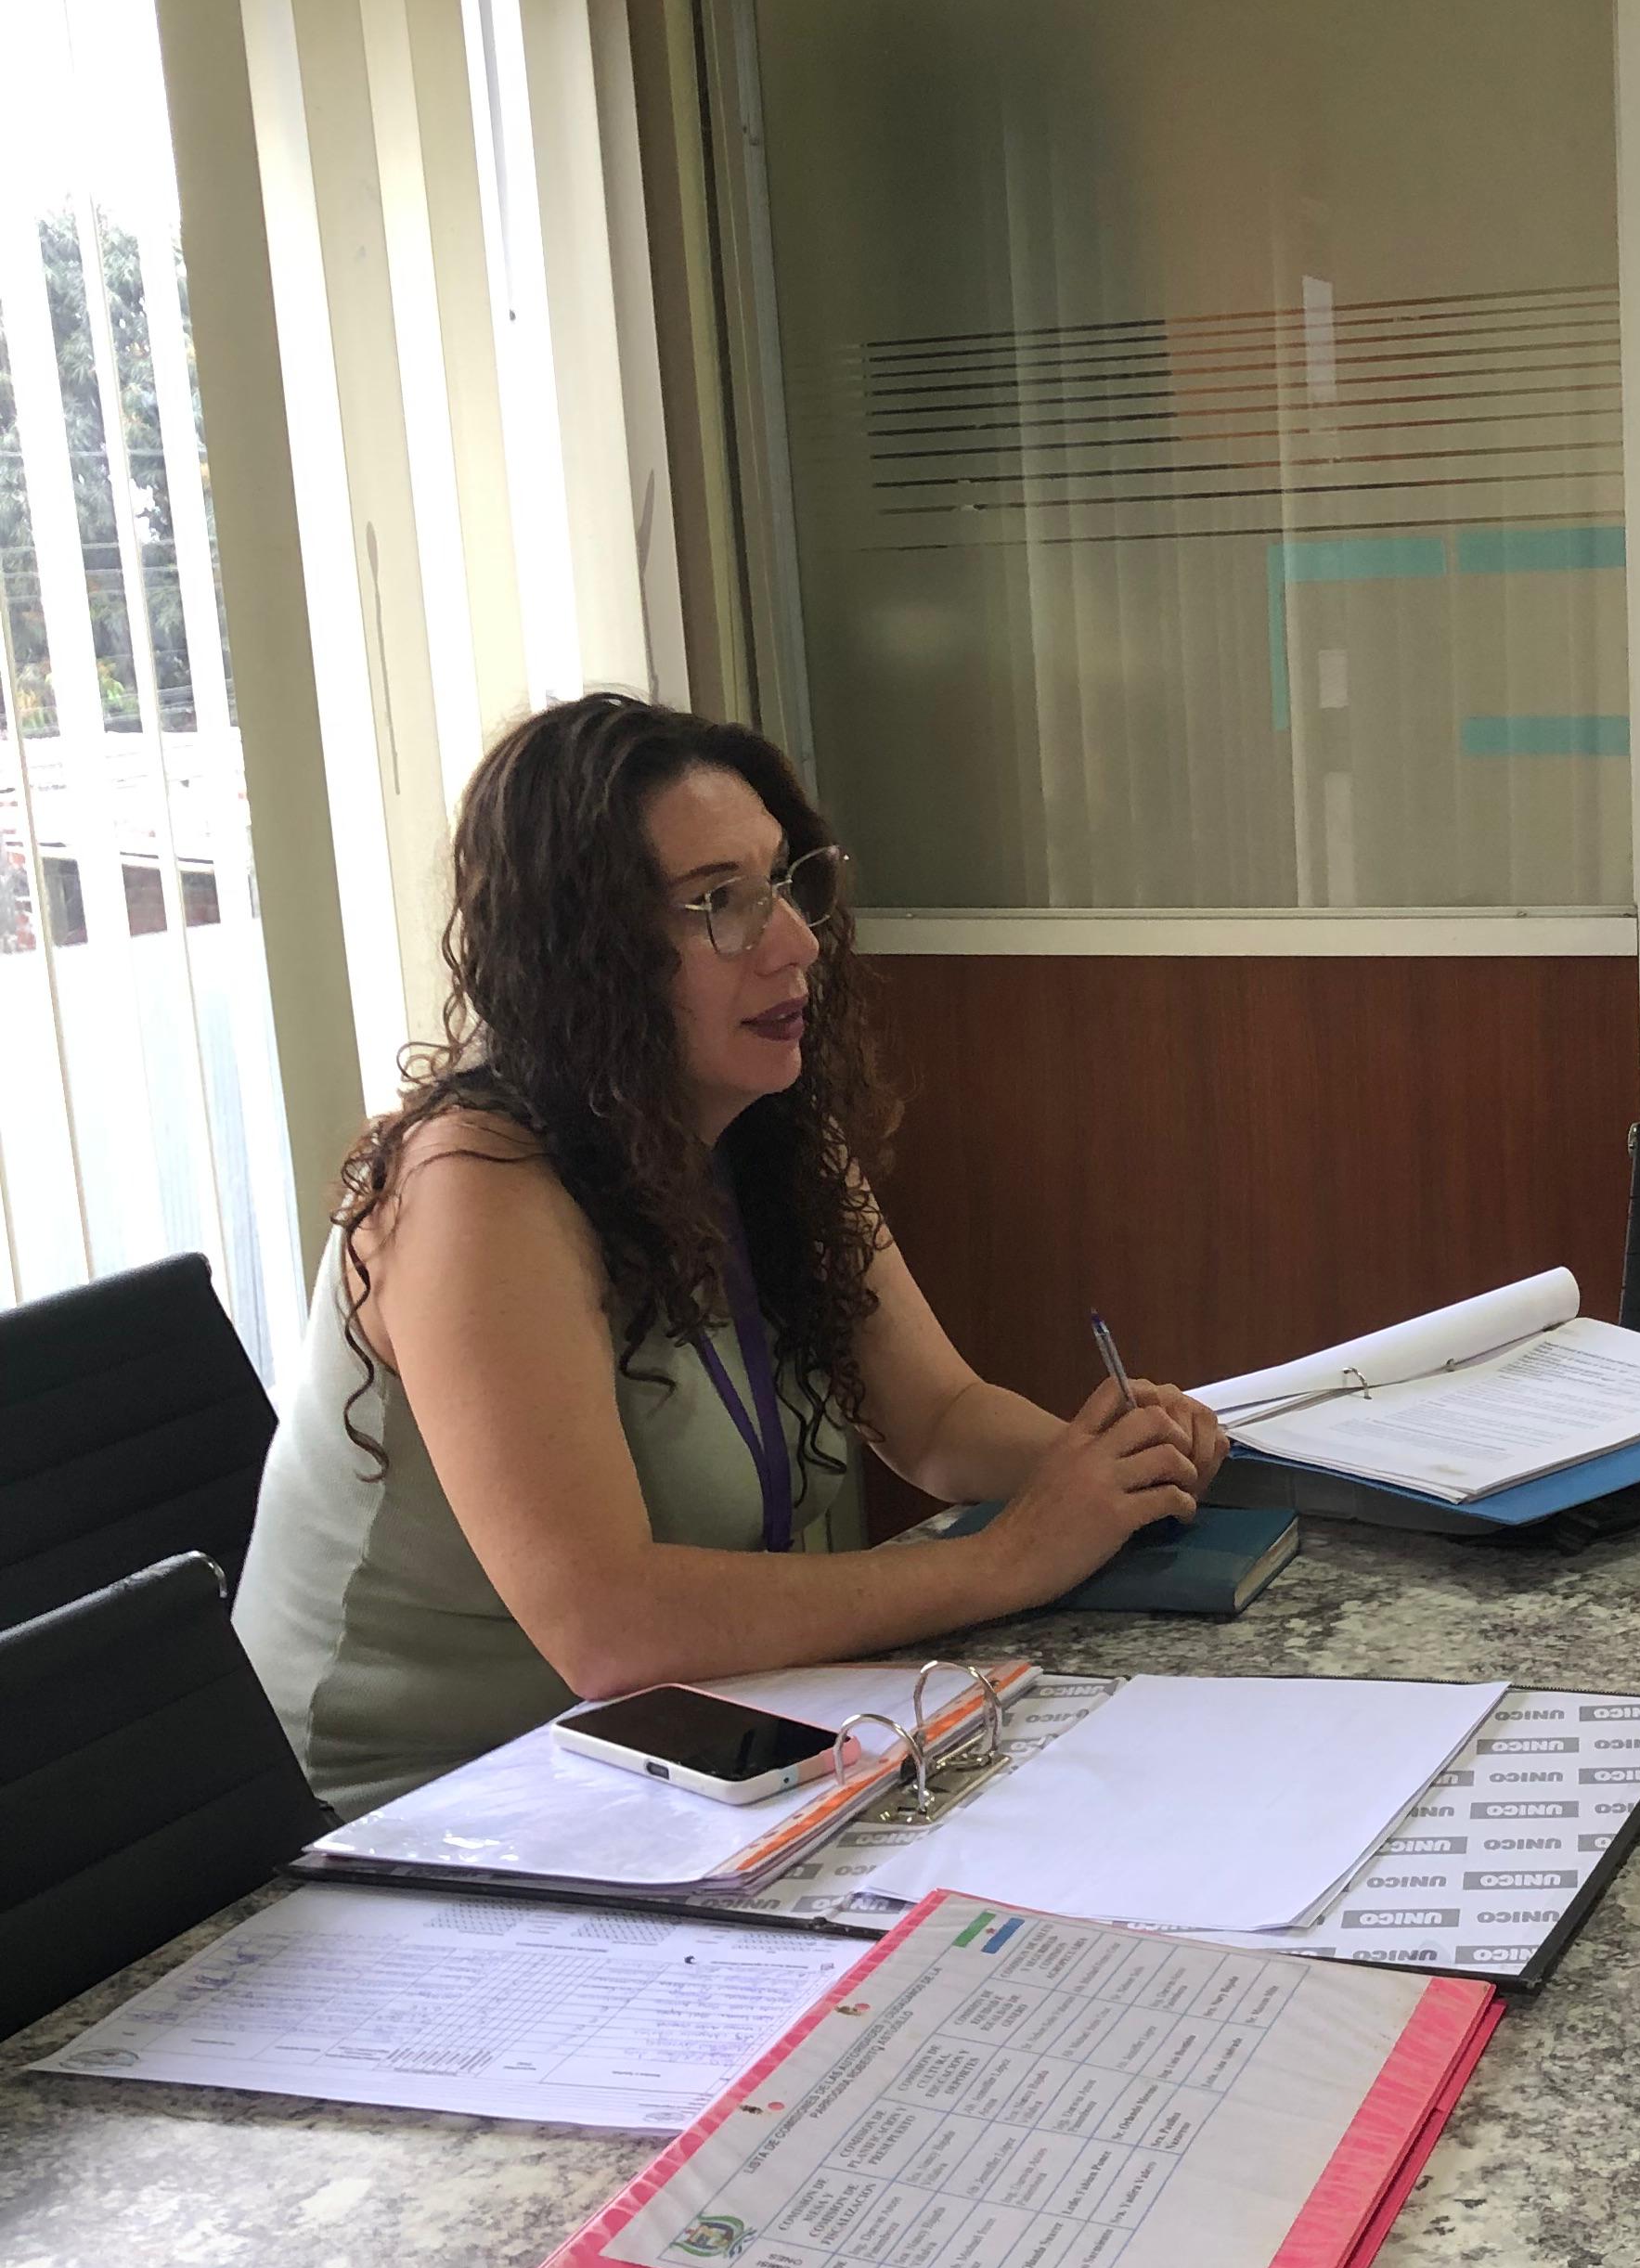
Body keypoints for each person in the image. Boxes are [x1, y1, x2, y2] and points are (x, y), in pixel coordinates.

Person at [237, 695, 1227, 1818]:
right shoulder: (471, 1185)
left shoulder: (760, 1129)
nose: (796, 941)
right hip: (404, 1817)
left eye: (785, 882)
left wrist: (1110, 1470)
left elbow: (940, 1420)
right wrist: (1012, 1559)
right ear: (586, 952)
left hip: (659, 1760)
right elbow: (611, 1629)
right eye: (719, 902)